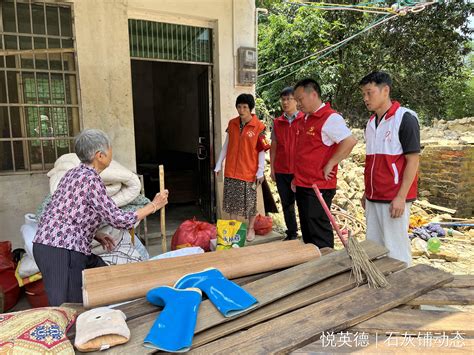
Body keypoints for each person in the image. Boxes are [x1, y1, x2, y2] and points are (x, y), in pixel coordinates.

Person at [33, 128, 169, 306]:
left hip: (59, 247)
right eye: (109, 148)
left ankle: (114, 313)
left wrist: (96, 234)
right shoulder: (91, 180)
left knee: (101, 274)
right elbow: (119, 220)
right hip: (61, 250)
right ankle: (70, 332)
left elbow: (66, 212)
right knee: (68, 308)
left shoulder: (73, 174)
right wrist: (154, 205)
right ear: (100, 155)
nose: (111, 152)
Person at [359, 71, 420, 266]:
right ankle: (380, 289)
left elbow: (413, 161)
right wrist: (366, 192)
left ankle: (402, 287)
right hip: (374, 196)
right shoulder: (370, 123)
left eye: (369, 93)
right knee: (374, 246)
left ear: (385, 90)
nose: (365, 99)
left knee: (396, 249)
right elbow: (371, 162)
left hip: (394, 197)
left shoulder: (405, 119)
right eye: (363, 94)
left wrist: (401, 197)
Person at [293, 79, 357, 249]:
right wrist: (296, 178)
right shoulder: (305, 119)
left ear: (313, 94)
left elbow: (349, 141)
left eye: (300, 99)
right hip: (303, 184)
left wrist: (331, 163)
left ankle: (325, 267)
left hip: (318, 186)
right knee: (307, 231)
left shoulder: (330, 118)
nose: (298, 104)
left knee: (319, 232)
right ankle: (313, 265)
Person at [214, 94, 270, 242]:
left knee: (250, 204)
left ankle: (250, 228)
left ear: (250, 108)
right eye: (239, 106)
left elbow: (262, 151)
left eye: (245, 107)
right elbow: (226, 145)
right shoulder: (232, 124)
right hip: (231, 170)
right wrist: (219, 163)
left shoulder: (259, 127)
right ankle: (234, 229)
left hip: (249, 171)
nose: (241, 110)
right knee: (232, 202)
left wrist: (260, 171)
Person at [270, 87, 305, 241]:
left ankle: (307, 234)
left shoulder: (305, 119)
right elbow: (274, 147)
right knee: (287, 204)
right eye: (283, 99)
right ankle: (291, 233)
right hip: (282, 170)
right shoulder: (278, 122)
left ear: (296, 100)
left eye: (288, 99)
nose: (285, 102)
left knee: (304, 204)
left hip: (301, 171)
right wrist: (272, 168)